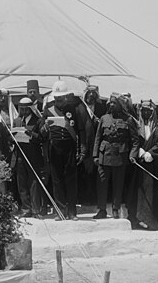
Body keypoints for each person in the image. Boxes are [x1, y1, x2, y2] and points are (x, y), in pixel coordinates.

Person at [41, 81, 88, 220]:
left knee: (71, 180)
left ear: (66, 97)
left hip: (69, 147)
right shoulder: (48, 109)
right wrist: (45, 127)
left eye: (60, 98)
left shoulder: (74, 109)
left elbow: (80, 130)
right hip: (54, 147)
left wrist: (83, 149)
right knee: (57, 180)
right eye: (56, 99)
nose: (58, 101)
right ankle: (60, 210)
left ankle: (72, 211)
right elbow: (42, 132)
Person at [92, 92, 139, 219]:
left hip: (120, 156)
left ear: (120, 105)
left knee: (118, 184)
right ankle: (102, 209)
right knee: (101, 183)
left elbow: (135, 140)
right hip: (104, 154)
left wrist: (132, 155)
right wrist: (95, 155)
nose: (112, 105)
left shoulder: (128, 119)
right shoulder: (104, 118)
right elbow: (98, 138)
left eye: (114, 103)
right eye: (110, 103)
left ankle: (115, 209)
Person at [128, 99, 158, 230]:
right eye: (143, 110)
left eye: (148, 111)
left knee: (150, 193)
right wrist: (138, 150)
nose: (145, 113)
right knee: (135, 192)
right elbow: (131, 139)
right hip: (137, 165)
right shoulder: (135, 124)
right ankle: (134, 220)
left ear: (153, 112)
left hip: (151, 164)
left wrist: (150, 153)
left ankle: (149, 221)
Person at [12, 97, 44, 218]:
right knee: (22, 182)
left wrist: (30, 134)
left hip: (33, 155)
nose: (24, 111)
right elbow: (12, 138)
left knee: (34, 182)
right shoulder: (17, 121)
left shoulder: (38, 121)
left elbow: (42, 138)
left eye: (26, 109)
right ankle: (26, 208)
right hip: (20, 155)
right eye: (22, 109)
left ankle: (36, 209)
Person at [80, 85, 106, 205]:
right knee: (84, 172)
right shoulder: (80, 107)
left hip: (97, 145)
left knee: (97, 172)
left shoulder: (101, 108)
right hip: (84, 143)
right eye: (89, 94)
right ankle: (84, 197)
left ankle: (95, 197)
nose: (91, 96)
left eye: (93, 94)